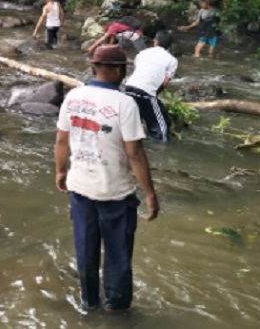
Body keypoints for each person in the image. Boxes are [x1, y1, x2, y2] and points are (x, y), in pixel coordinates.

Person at [55, 44, 160, 312]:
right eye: (123, 69)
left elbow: (61, 140)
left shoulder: (73, 96)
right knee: (118, 256)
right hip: (115, 194)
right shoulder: (125, 103)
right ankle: (117, 308)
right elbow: (134, 153)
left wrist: (61, 171)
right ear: (116, 71)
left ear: (95, 67)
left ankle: (89, 302)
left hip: (79, 189)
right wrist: (149, 192)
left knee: (85, 251)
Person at [124, 31, 178, 142]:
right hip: (146, 92)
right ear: (169, 45)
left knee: (133, 119)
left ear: (156, 41)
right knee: (161, 125)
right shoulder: (172, 60)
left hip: (129, 88)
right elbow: (165, 82)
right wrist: (155, 95)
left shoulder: (143, 53)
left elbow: (138, 70)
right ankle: (162, 147)